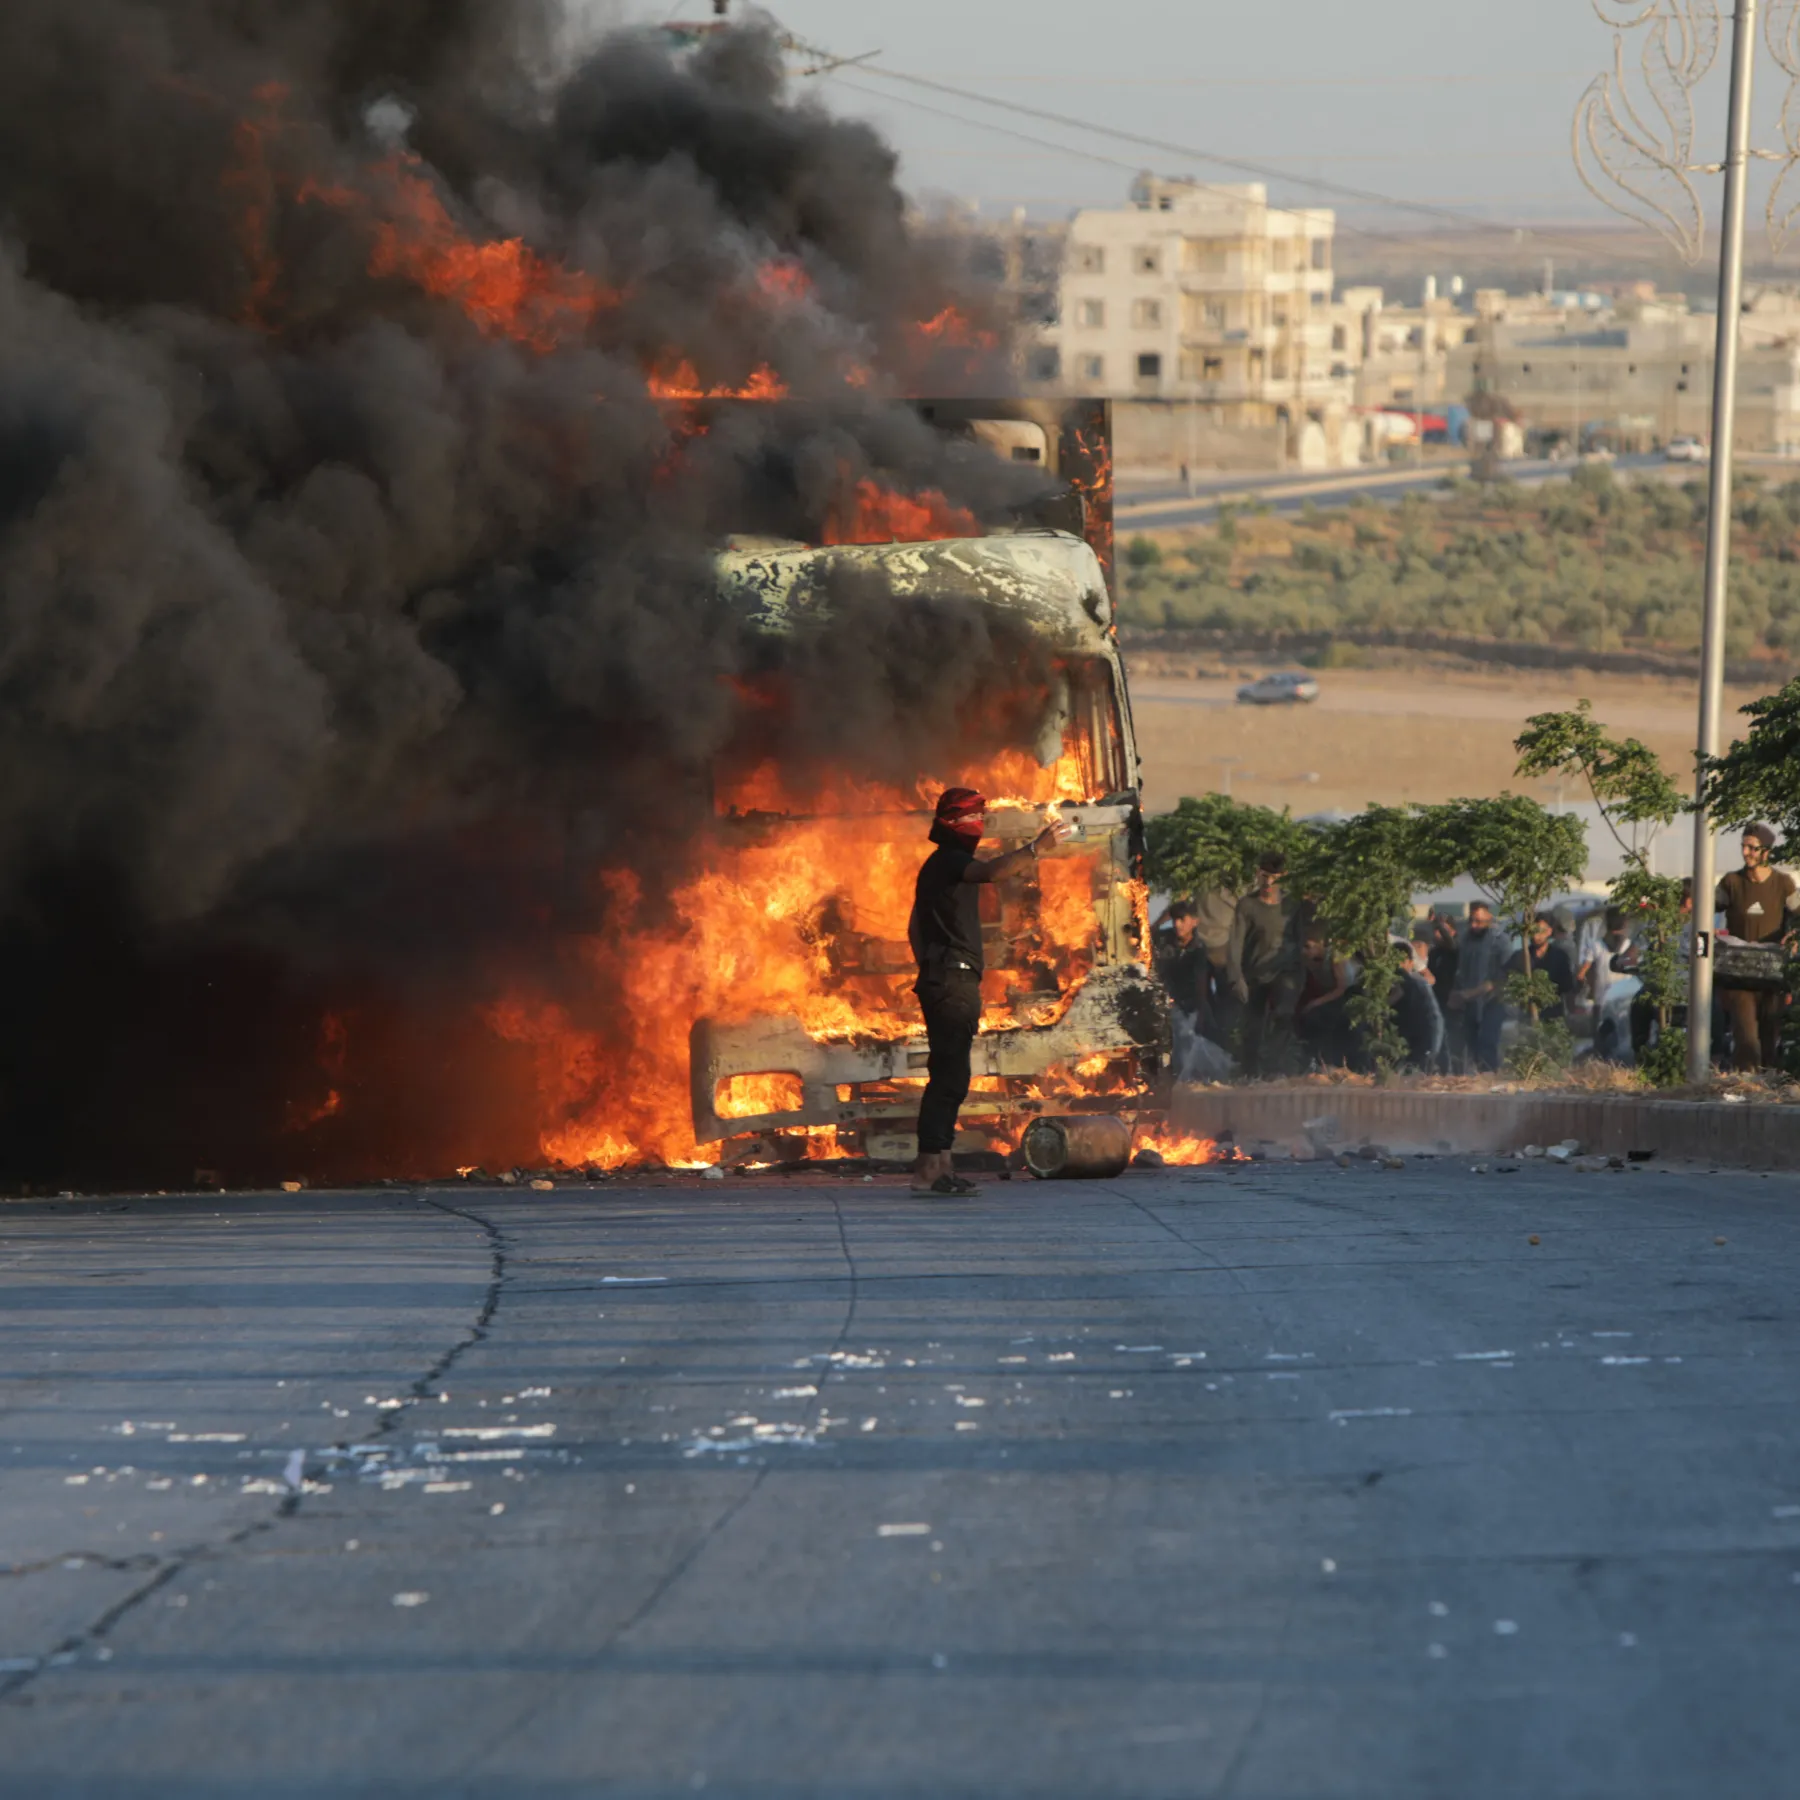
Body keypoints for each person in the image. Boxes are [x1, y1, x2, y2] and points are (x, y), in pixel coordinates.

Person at [908, 788, 1067, 1196]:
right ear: (955, 823)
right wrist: (1036, 848)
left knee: (948, 1074)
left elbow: (914, 929)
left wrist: (931, 964)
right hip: (951, 980)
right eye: (976, 816)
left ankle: (939, 1167)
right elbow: (992, 872)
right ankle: (929, 1170)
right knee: (949, 1077)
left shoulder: (937, 867)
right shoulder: (949, 861)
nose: (981, 824)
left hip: (946, 977)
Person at [1714, 823, 1797, 1071]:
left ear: (1766, 851)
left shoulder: (1783, 884)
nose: (1746, 852)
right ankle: (1746, 1087)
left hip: (1773, 976)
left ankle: (1769, 1090)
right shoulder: (1731, 882)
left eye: (1752, 847)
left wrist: (1794, 935)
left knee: (1771, 1037)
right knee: (1746, 1038)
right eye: (1743, 846)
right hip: (1739, 975)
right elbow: (1706, 907)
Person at [1227, 850, 1300, 1076]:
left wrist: (1298, 975)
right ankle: (1249, 1074)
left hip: (1283, 971)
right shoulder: (1247, 905)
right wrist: (1236, 977)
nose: (1268, 882)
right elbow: (1235, 943)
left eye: (1274, 877)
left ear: (1283, 876)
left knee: (1283, 1015)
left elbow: (1299, 940)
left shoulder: (1291, 904)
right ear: (1258, 875)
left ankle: (1277, 1071)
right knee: (1252, 1026)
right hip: (1254, 972)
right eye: (1264, 876)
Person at [1446, 901, 1509, 1072]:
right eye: (1472, 920)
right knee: (1471, 1048)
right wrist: (1457, 993)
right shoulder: (1466, 939)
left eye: (1479, 921)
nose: (1474, 925)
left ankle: (1490, 1080)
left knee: (1487, 1045)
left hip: (1492, 1002)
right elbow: (1461, 969)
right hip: (1469, 1004)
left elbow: (1502, 978)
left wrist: (1471, 993)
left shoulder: (1500, 941)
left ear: (1489, 918)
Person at [1294, 928, 1354, 1066]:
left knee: (1317, 1017)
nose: (1305, 951)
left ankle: (1325, 1061)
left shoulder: (1334, 957)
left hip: (1350, 996)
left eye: (1308, 946)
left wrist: (1315, 1003)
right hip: (1334, 997)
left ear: (1320, 944)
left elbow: (1341, 988)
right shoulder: (1313, 962)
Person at [1507, 911, 1579, 1023]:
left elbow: (1568, 988)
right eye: (1532, 931)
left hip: (1553, 1017)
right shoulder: (1520, 957)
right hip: (1527, 1018)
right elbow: (1506, 982)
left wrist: (1572, 1013)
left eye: (1540, 931)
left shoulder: (1560, 957)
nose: (1536, 936)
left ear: (1549, 931)